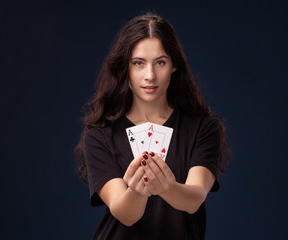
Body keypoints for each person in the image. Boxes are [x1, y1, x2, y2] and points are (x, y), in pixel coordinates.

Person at [75, 12, 231, 240]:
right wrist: (137, 192)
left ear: (174, 66)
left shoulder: (204, 129)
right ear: (125, 69)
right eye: (139, 63)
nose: (150, 75)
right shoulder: (100, 137)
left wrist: (166, 187)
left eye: (160, 62)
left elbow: (194, 199)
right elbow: (125, 214)